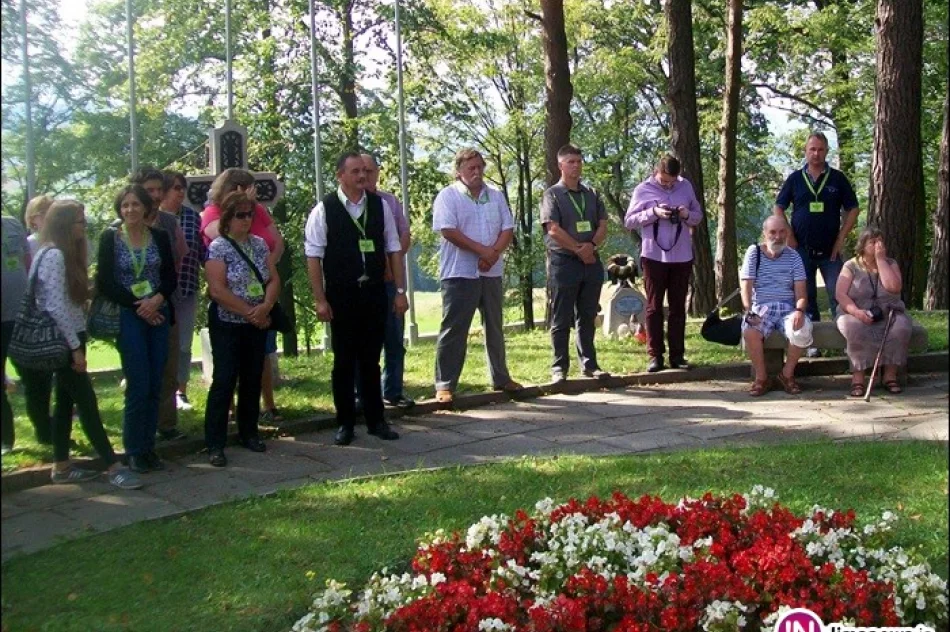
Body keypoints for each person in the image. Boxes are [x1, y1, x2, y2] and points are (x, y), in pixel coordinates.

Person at [30, 201, 142, 488]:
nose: (84, 226)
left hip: (69, 336)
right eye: (80, 221)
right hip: (63, 340)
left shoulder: (57, 253)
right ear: (66, 225)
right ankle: (112, 465)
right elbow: (55, 306)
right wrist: (74, 347)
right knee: (87, 402)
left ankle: (62, 466)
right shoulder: (54, 255)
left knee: (65, 401)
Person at [305, 151, 407, 446]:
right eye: (355, 172)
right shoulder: (324, 209)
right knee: (344, 360)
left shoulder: (379, 206)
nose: (362, 176)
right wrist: (320, 299)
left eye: (365, 171)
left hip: (374, 291)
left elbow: (393, 248)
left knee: (371, 359)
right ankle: (345, 423)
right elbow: (313, 256)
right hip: (342, 294)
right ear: (340, 175)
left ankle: (376, 420)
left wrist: (400, 292)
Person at [431, 148, 523, 403]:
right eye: (471, 168)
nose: (477, 172)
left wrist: (493, 254)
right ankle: (445, 384)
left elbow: (507, 228)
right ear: (459, 170)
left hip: (491, 272)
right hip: (459, 273)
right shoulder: (448, 196)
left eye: (480, 167)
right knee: (455, 328)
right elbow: (448, 230)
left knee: (494, 326)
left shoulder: (495, 196)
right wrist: (482, 251)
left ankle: (501, 378)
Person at [97, 184, 176, 474]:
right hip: (130, 316)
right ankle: (133, 450)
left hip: (158, 312)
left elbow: (169, 277)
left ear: (145, 208)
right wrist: (138, 305)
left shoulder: (159, 237)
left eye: (134, 204)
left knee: (156, 382)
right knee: (138, 382)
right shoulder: (110, 238)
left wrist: (156, 300)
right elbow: (105, 282)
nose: (129, 210)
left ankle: (148, 447)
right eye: (124, 205)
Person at [201, 168, 286, 424]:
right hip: (231, 314)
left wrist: (265, 299)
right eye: (241, 214)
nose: (247, 217)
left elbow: (276, 243)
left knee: (256, 367)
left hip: (260, 304)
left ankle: (255, 423)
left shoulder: (258, 224)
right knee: (226, 375)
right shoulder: (214, 220)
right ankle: (221, 426)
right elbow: (219, 236)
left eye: (249, 213)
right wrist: (250, 312)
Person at [773, 131, 860, 352]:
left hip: (831, 251)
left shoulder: (837, 178)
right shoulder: (794, 179)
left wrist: (841, 238)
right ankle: (811, 344)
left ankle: (844, 341)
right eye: (812, 149)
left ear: (826, 151)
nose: (816, 154)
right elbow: (778, 207)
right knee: (806, 297)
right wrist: (789, 235)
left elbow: (853, 208)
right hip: (801, 249)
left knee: (837, 293)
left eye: (820, 149)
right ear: (806, 151)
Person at [625, 154, 703, 372]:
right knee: (654, 307)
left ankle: (677, 356)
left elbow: (698, 216)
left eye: (672, 182)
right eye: (664, 181)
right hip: (653, 256)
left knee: (678, 308)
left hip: (682, 255)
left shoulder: (685, 186)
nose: (669, 185)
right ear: (655, 172)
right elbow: (629, 221)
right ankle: (655, 356)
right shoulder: (642, 189)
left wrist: (686, 213)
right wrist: (653, 213)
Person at [540, 144, 610, 383]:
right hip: (564, 261)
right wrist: (578, 249)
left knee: (588, 314)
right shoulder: (552, 195)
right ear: (560, 165)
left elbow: (602, 224)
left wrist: (591, 246)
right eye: (571, 162)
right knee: (561, 317)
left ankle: (589, 364)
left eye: (579, 161)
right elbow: (553, 229)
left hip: (591, 262)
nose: (576, 166)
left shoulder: (591, 193)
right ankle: (559, 367)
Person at [132, 167, 188, 442]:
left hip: (166, 303)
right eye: (148, 189)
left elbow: (178, 260)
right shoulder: (122, 221)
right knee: (140, 370)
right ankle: (141, 427)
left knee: (167, 365)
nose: (154, 195)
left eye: (158, 189)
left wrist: (160, 297)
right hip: (133, 308)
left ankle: (167, 424)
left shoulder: (168, 222)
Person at [356, 152, 414, 409]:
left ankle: (393, 390)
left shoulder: (389, 201)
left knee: (393, 337)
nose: (365, 176)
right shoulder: (350, 205)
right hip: (362, 282)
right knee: (363, 341)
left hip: (391, 279)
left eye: (370, 171)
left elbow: (403, 235)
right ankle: (362, 395)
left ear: (378, 173)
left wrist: (393, 264)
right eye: (361, 171)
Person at [835, 227, 912, 396]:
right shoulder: (851, 265)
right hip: (855, 311)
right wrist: (856, 312)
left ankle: (890, 376)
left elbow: (894, 288)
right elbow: (840, 294)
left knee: (901, 328)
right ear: (863, 245)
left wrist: (881, 260)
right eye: (873, 242)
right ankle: (858, 378)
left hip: (889, 311)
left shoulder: (890, 263)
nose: (878, 245)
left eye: (880, 241)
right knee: (855, 329)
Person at [740, 216, 810, 397]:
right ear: (764, 233)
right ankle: (761, 378)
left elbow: (801, 294)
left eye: (781, 232)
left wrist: (800, 311)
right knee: (750, 330)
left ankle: (786, 375)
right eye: (772, 232)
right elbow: (746, 286)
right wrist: (748, 311)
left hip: (788, 308)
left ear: (787, 233)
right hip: (761, 307)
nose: (777, 237)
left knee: (802, 328)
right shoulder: (753, 253)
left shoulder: (794, 257)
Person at [161, 170, 204, 412]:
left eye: (182, 188)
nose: (181, 192)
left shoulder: (192, 217)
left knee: (184, 344)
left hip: (186, 288)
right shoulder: (154, 219)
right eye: (176, 187)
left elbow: (199, 252)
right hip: (159, 293)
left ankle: (181, 391)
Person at [2, 214, 32, 454]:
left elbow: (28, 261)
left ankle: (44, 428)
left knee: (34, 375)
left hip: (21, 313)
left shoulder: (12, 223)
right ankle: (5, 439)